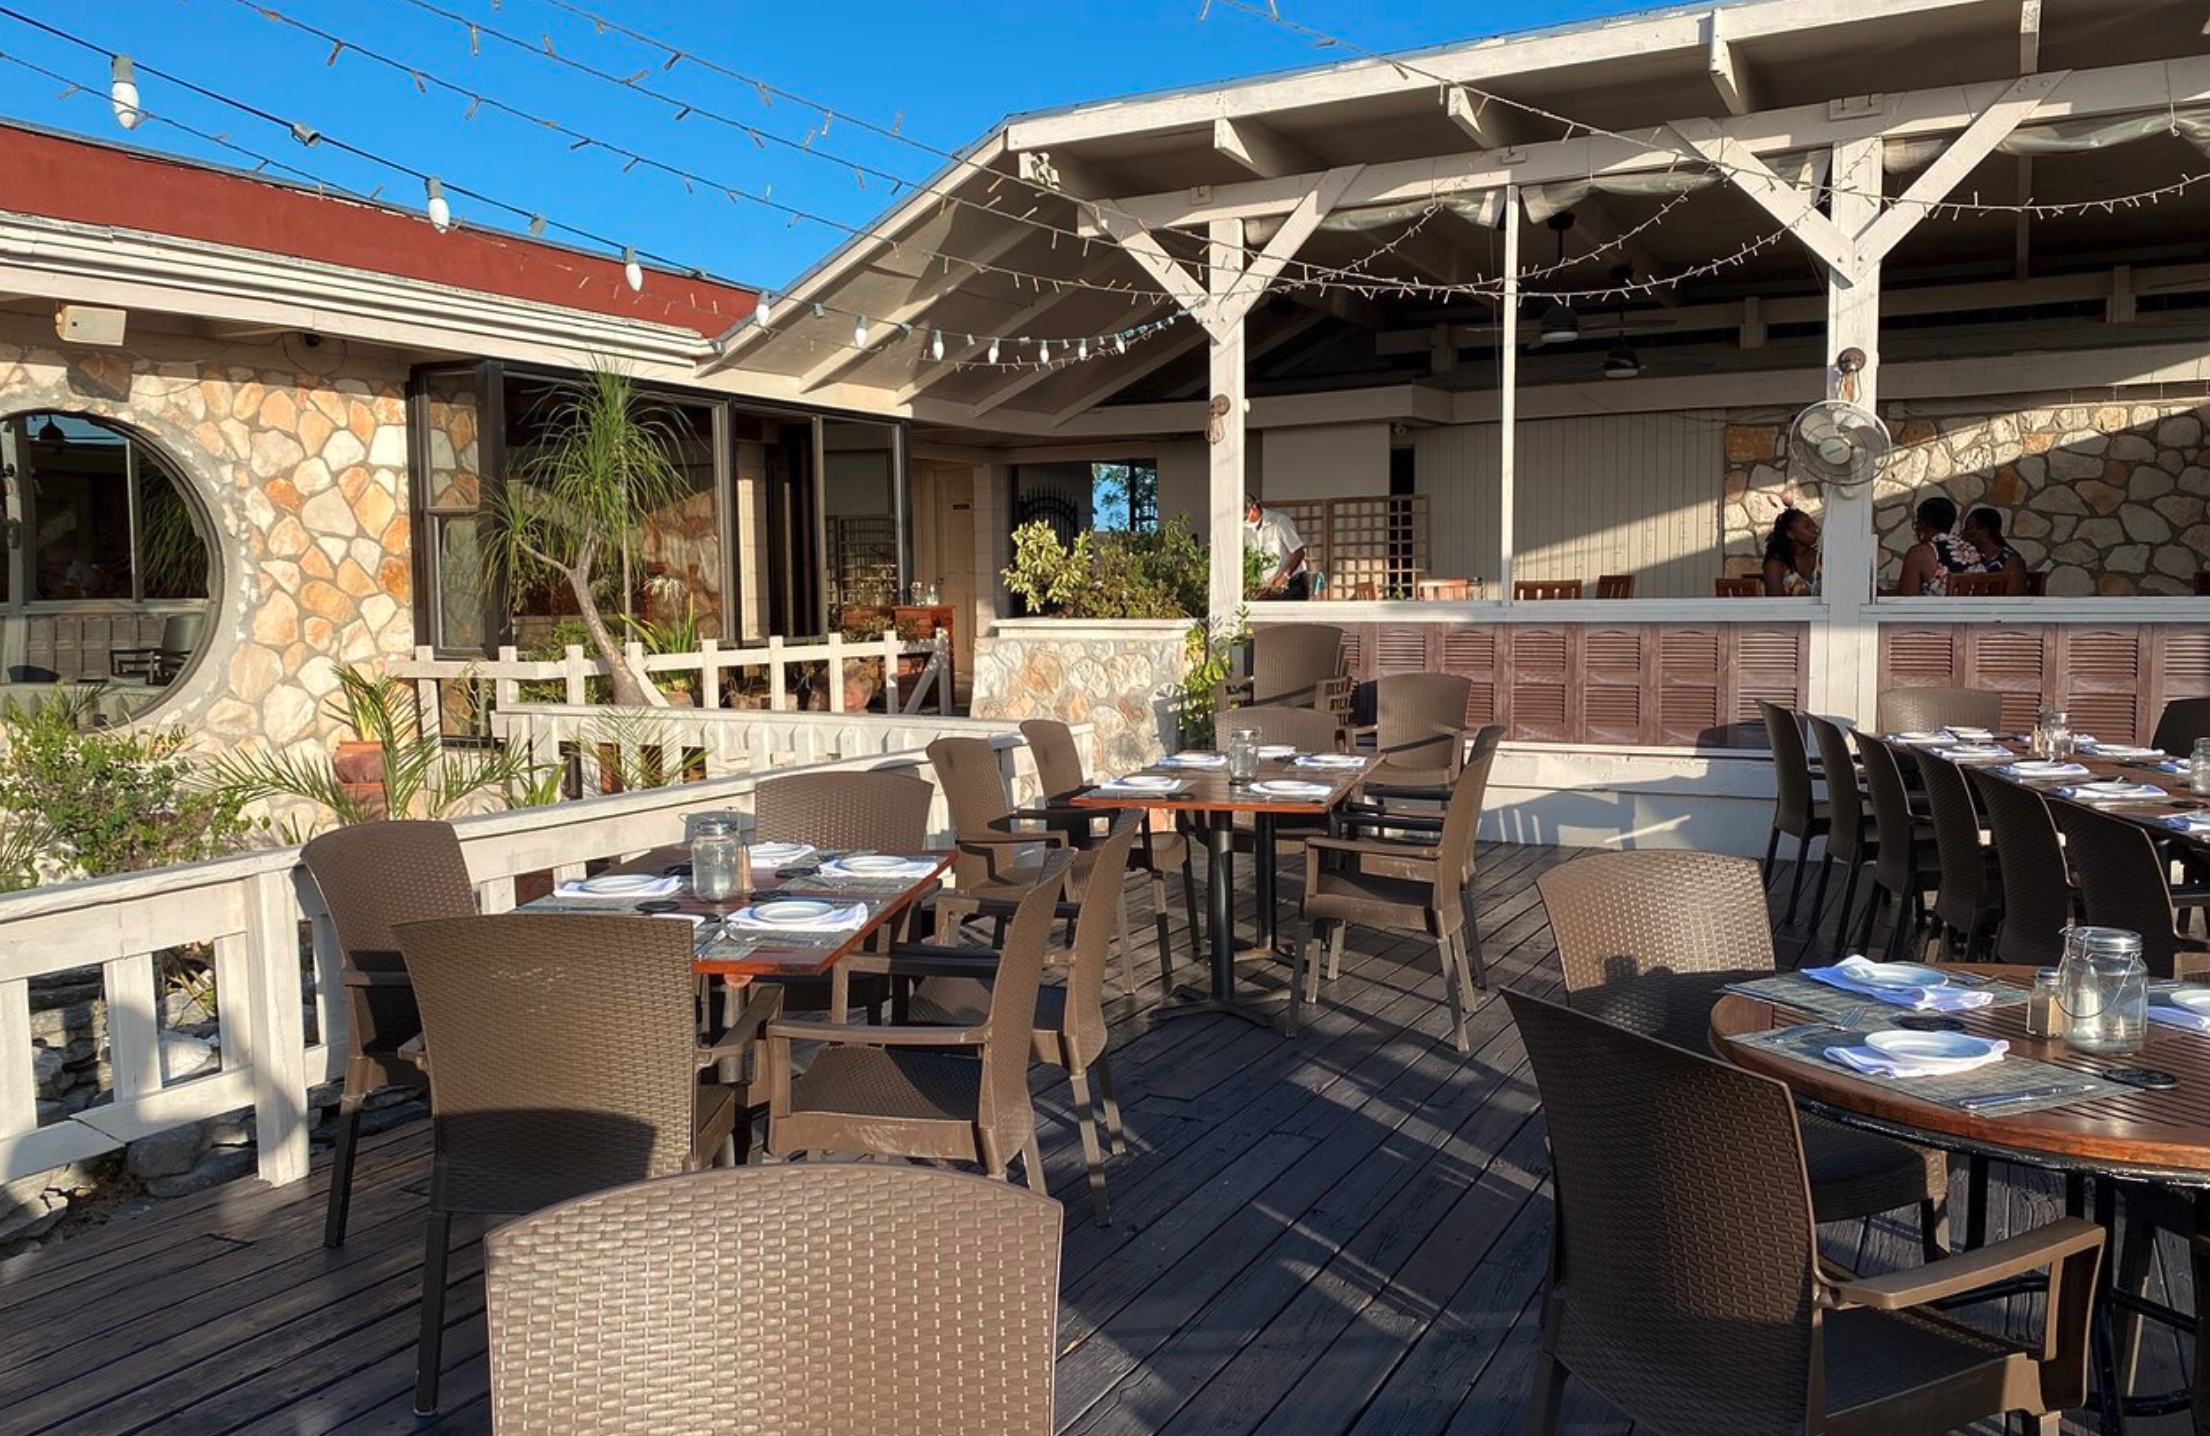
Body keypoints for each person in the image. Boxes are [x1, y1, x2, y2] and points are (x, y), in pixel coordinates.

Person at [1896, 495, 1980, 596]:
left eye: (1917, 524)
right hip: (1976, 610)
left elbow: (1904, 599)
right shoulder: (1972, 549)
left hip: (1940, 611)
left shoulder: (1919, 553)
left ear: (1923, 525)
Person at [1244, 493, 1308, 600]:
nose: (1245, 520)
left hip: (1291, 582)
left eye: (1245, 516)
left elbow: (1299, 552)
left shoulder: (1279, 521)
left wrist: (1283, 578)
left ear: (1254, 508)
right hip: (1266, 589)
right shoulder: (1243, 528)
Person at [1962, 507, 2029, 595]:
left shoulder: (2010, 561)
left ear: (1985, 531)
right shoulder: (1971, 558)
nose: (1964, 534)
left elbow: (2014, 598)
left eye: (1969, 529)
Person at [1761, 507, 1821, 596]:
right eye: (1807, 526)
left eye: (1813, 523)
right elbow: (1775, 605)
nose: (1814, 528)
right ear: (1791, 534)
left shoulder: (1820, 558)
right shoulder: (1775, 564)